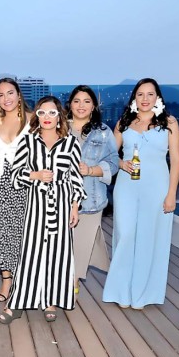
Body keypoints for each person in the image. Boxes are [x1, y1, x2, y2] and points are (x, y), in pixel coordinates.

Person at [0, 96, 86, 324]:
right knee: (31, 254)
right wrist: (35, 175)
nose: (47, 118)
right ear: (36, 116)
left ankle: (50, 301)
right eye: (42, 113)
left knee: (58, 256)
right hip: (35, 205)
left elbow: (75, 178)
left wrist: (75, 206)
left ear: (59, 116)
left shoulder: (71, 143)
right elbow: (14, 176)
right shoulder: (27, 141)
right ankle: (17, 303)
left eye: (52, 113)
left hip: (62, 204)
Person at [102, 78, 179, 309]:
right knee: (125, 234)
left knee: (148, 238)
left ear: (158, 97)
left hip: (157, 187)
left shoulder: (170, 123)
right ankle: (120, 290)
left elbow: (176, 160)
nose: (145, 99)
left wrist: (171, 194)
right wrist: (121, 163)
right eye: (140, 94)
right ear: (134, 98)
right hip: (126, 186)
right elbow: (108, 155)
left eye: (150, 94)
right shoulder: (124, 122)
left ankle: (142, 294)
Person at [67, 85, 119, 296]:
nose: (81, 105)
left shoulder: (103, 132)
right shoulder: (58, 128)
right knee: (63, 245)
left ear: (94, 106)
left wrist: (92, 170)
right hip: (59, 197)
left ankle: (73, 283)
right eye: (77, 100)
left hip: (90, 198)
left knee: (81, 243)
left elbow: (114, 162)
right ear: (69, 104)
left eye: (86, 101)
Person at [0, 78, 30, 302]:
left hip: (23, 181)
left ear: (18, 94)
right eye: (1, 95)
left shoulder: (33, 121)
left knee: (20, 231)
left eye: (10, 93)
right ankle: (6, 281)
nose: (6, 99)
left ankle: (25, 280)